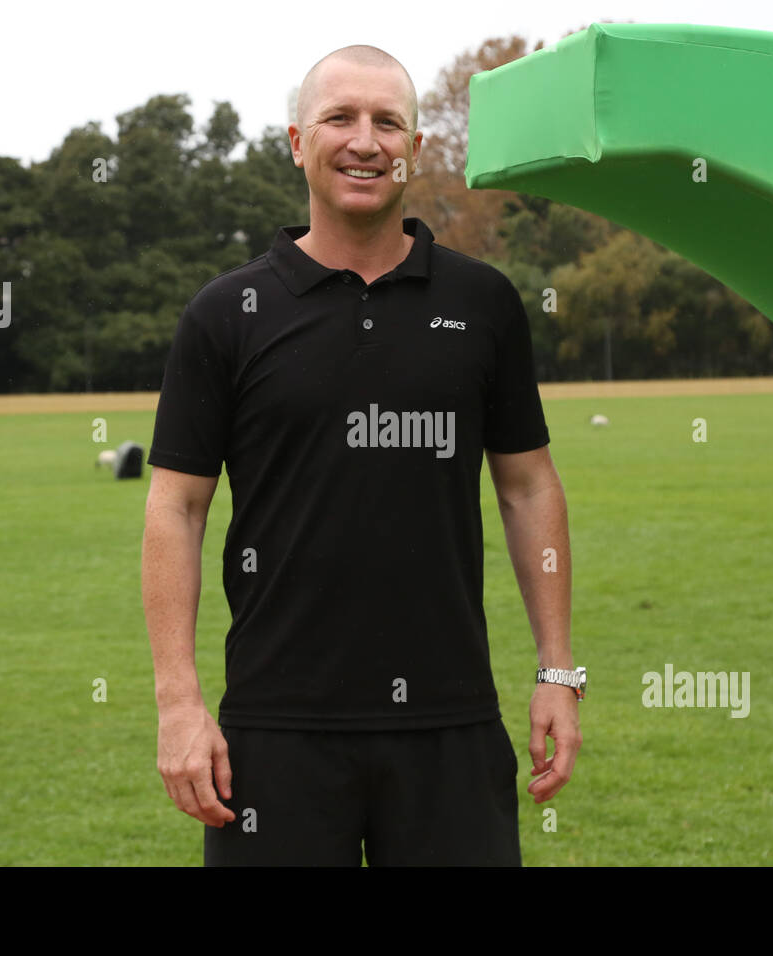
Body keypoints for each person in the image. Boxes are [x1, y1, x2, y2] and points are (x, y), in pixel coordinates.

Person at [142, 43, 582, 866]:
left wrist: (560, 671)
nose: (365, 141)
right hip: (274, 729)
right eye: (339, 118)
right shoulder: (227, 313)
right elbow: (176, 506)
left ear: (416, 151)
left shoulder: (482, 303)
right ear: (296, 142)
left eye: (388, 123)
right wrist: (178, 702)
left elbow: (528, 489)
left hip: (450, 720)